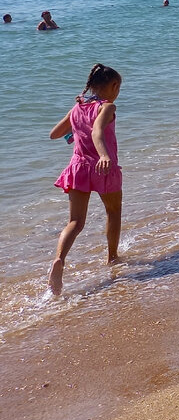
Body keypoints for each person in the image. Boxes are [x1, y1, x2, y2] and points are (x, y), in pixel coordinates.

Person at [47, 64, 124, 295]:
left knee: (75, 222)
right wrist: (103, 155)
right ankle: (112, 258)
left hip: (78, 167)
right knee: (113, 211)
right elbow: (97, 131)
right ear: (113, 86)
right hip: (102, 167)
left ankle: (59, 260)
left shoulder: (78, 108)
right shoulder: (108, 107)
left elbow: (54, 134)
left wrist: (75, 126)